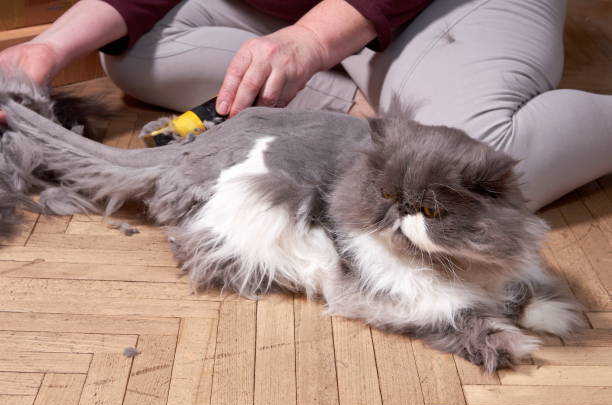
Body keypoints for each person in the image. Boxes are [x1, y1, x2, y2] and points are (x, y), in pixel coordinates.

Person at [0, 0, 610, 210]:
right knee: (134, 53)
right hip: (296, 11)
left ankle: (402, 91)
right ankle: (374, 107)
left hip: (447, 8)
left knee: (474, 169)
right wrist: (46, 51)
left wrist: (313, 39)